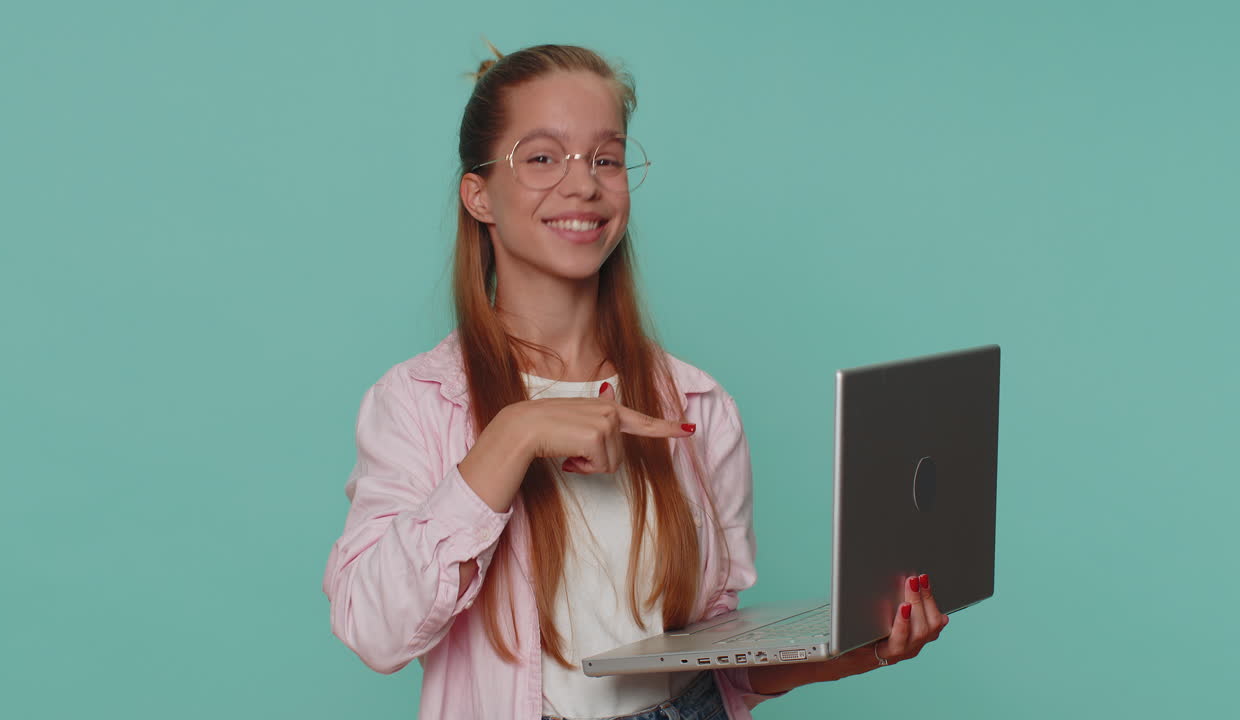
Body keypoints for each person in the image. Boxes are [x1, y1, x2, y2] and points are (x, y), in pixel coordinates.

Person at [322, 43, 949, 720]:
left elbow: (716, 664)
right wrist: (516, 432)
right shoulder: (415, 405)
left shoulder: (699, 406)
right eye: (541, 157)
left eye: (606, 158)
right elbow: (374, 630)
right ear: (479, 196)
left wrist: (858, 649)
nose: (583, 184)